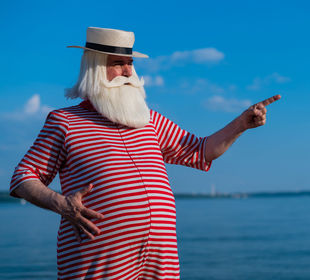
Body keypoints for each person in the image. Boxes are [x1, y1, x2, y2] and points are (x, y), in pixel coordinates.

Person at [9, 27, 281, 280]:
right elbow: (23, 177)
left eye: (130, 64)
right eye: (117, 64)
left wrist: (241, 124)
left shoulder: (149, 119)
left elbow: (201, 151)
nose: (128, 72)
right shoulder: (66, 121)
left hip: (160, 261)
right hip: (97, 258)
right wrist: (61, 204)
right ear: (94, 68)